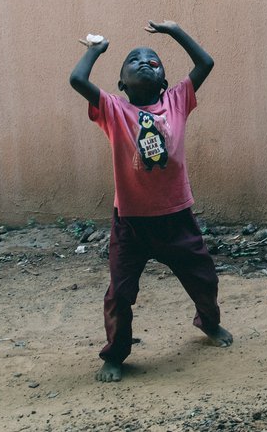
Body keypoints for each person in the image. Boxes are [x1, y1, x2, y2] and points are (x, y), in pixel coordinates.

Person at [69, 20, 233, 383]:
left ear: (163, 81)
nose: (145, 62)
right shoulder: (113, 111)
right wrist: (96, 50)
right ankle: (115, 355)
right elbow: (77, 81)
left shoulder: (177, 100)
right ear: (121, 84)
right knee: (120, 294)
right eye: (134, 60)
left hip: (177, 218)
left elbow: (205, 64)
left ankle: (209, 323)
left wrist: (174, 32)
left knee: (204, 279)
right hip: (131, 223)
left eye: (154, 61)